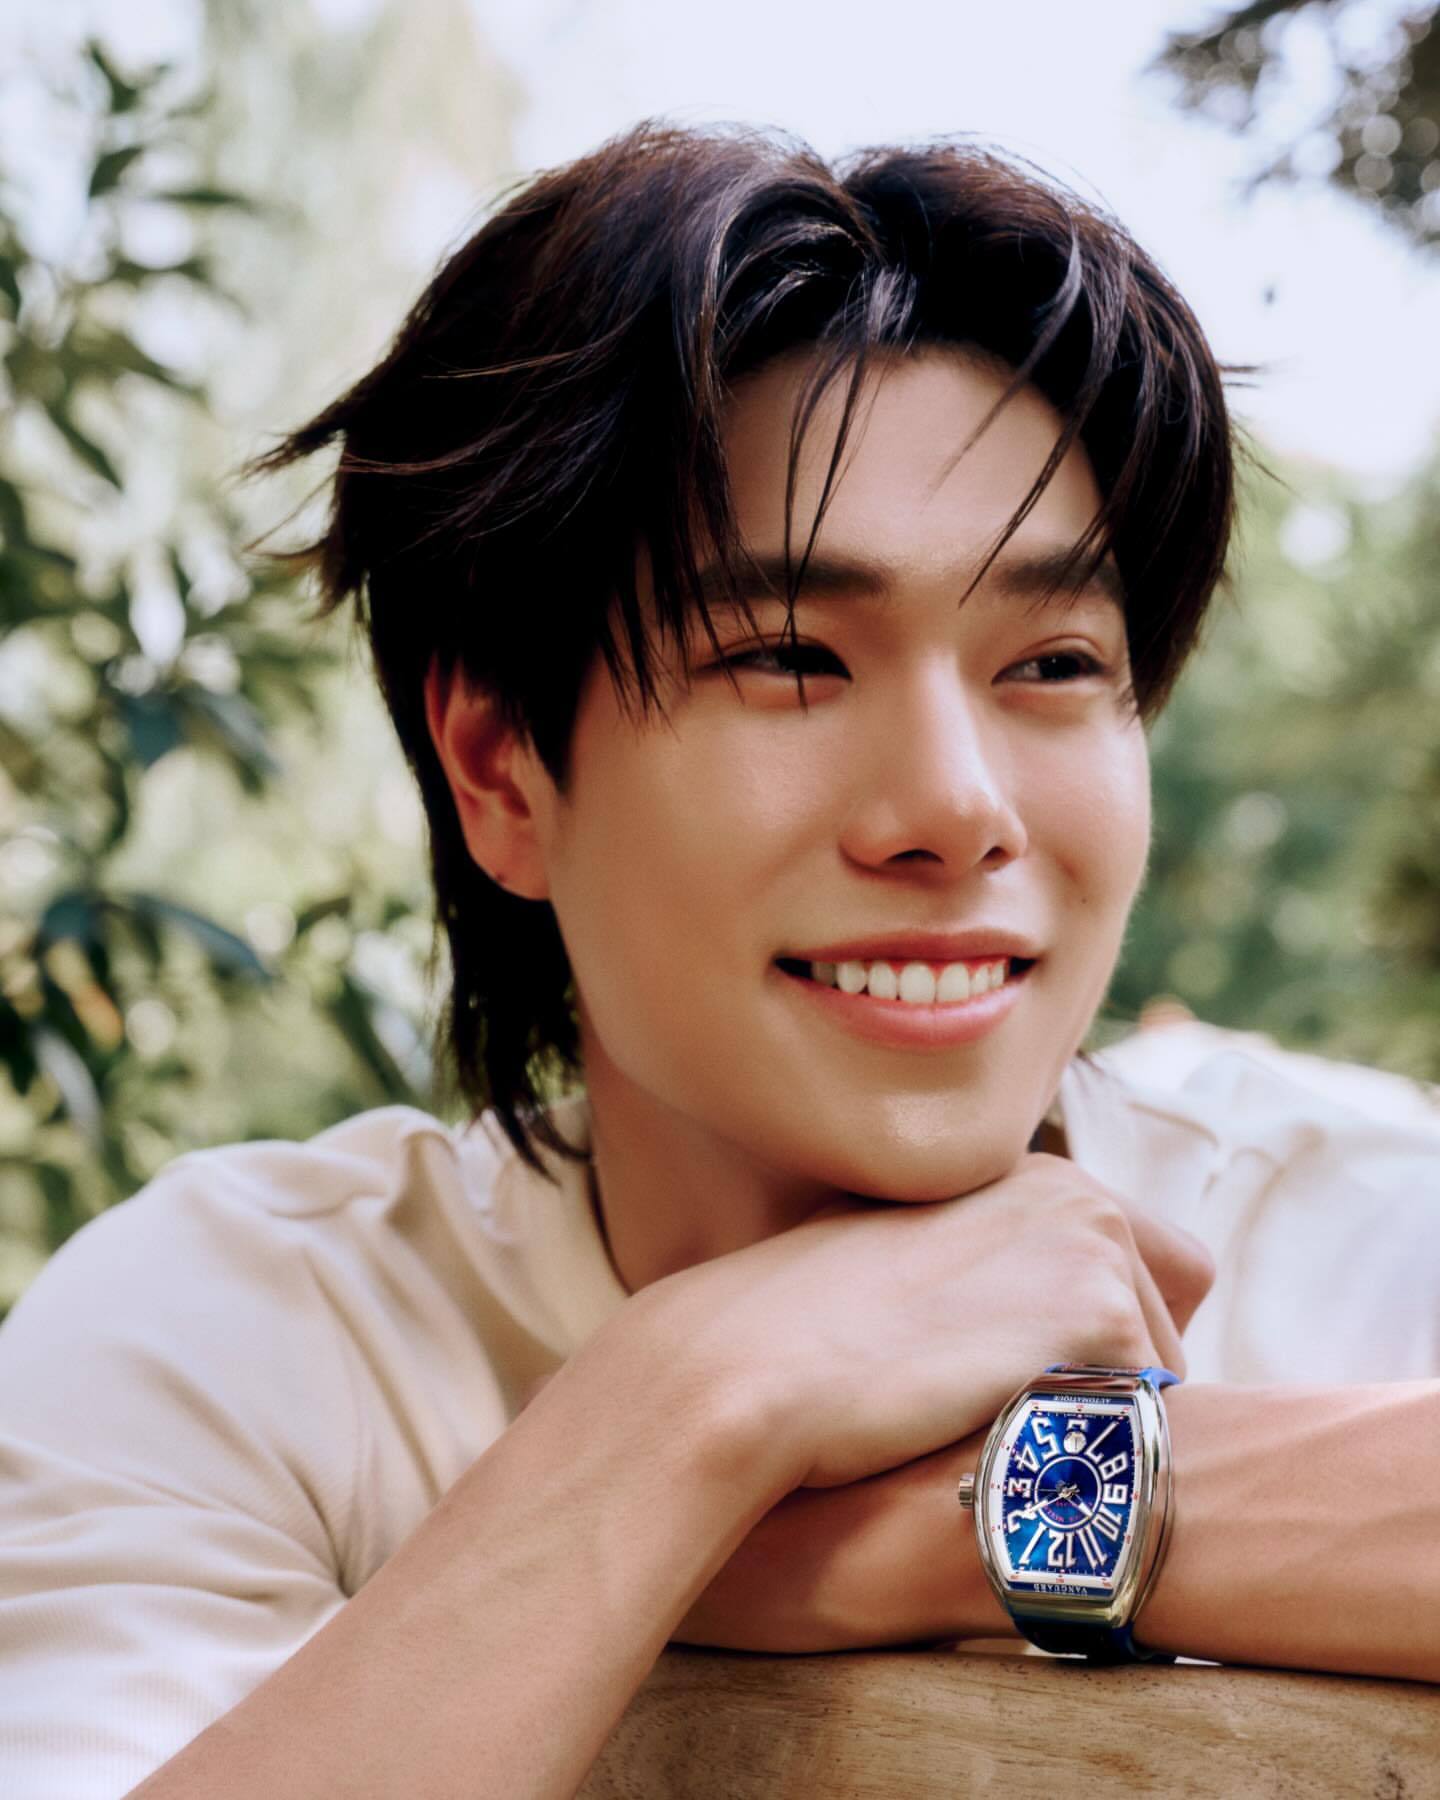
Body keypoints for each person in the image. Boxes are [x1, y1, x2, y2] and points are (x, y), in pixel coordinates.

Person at [2, 119, 1438, 1800]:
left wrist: (952, 1527)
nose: (956, 811)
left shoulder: (1349, 1237)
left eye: (1052, 661)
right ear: (501, 771)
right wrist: (691, 1403)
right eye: (788, 656)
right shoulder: (253, 1334)